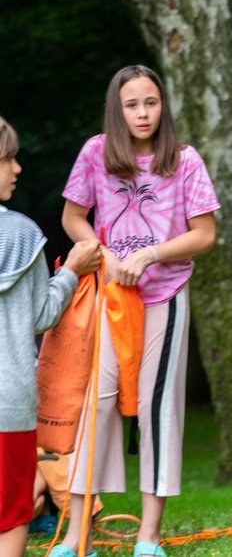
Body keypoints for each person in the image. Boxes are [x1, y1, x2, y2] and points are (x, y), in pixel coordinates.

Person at [53, 65, 220, 557]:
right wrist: (106, 256)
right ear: (117, 109)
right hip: (111, 299)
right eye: (132, 105)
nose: (143, 113)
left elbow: (204, 234)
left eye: (151, 102)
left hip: (165, 296)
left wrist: (150, 254)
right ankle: (74, 535)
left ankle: (148, 537)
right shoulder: (94, 153)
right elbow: (72, 217)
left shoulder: (185, 160)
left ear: (162, 105)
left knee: (156, 409)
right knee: (97, 405)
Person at [0, 116, 101, 557]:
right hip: (9, 404)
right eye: (8, 158)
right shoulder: (23, 235)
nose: (17, 169)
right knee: (11, 514)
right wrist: (72, 270)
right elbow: (42, 316)